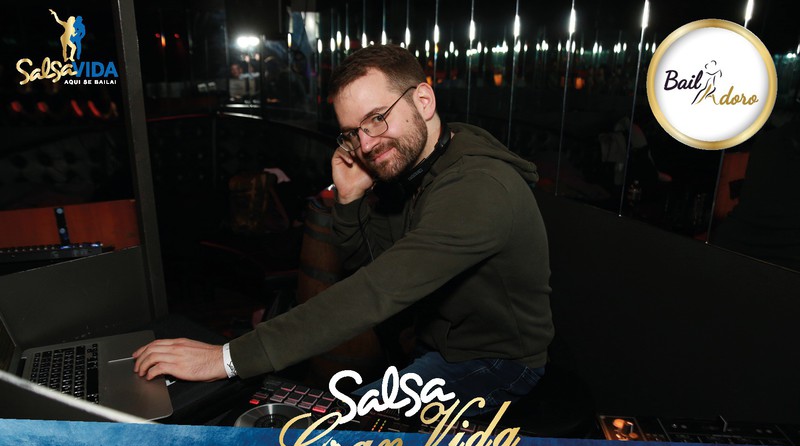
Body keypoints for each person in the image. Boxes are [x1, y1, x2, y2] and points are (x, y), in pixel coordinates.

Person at [133, 45, 555, 415]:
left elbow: (374, 292)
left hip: (495, 362)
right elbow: (367, 263)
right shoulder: (418, 168)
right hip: (435, 346)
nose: (366, 144)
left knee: (343, 435)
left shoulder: (478, 187)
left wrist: (226, 358)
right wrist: (351, 200)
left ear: (424, 100)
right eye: (353, 132)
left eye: (377, 118)